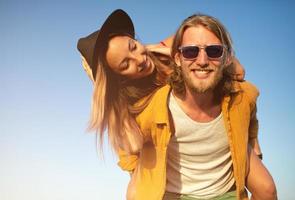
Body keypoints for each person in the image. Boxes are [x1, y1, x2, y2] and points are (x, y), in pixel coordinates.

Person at [116, 13, 277, 200]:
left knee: (267, 189)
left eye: (214, 51)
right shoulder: (145, 101)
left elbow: (243, 84)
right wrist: (137, 174)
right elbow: (128, 145)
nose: (202, 60)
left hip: (226, 191)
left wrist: (253, 142)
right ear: (178, 57)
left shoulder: (241, 92)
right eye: (191, 51)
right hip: (175, 193)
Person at [77, 9, 262, 156]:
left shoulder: (169, 48)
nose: (139, 60)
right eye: (126, 64)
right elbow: (133, 145)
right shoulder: (128, 102)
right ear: (119, 78)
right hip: (184, 155)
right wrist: (107, 91)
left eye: (133, 46)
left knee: (266, 188)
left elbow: (238, 71)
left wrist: (163, 51)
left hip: (226, 129)